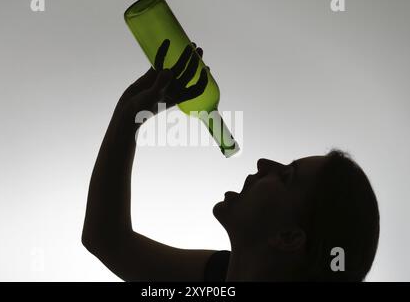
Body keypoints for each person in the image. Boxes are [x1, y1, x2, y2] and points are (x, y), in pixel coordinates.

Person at [81, 40, 380, 282]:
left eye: (286, 175)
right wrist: (130, 113)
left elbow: (107, 240)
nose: (264, 164)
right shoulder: (218, 276)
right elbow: (106, 239)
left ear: (288, 237)